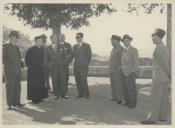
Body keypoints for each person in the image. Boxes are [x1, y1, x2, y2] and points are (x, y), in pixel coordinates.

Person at [141, 29, 171, 124]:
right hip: (164, 78)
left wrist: (171, 74)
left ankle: (152, 118)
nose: (152, 39)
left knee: (155, 98)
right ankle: (162, 117)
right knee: (163, 99)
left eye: (153, 37)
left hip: (158, 78)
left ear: (158, 37)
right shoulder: (165, 48)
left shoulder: (158, 48)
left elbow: (164, 65)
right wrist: (169, 75)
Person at [3, 31, 25, 110]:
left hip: (17, 70)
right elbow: (3, 59)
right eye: (12, 36)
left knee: (17, 87)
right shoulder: (5, 46)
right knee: (10, 87)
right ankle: (9, 104)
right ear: (10, 37)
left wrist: (21, 67)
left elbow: (19, 58)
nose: (14, 38)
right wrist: (11, 66)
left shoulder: (16, 47)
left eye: (15, 36)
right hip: (10, 71)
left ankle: (17, 102)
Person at [25, 36, 48, 104]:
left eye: (41, 41)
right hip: (33, 71)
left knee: (40, 84)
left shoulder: (42, 50)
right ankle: (34, 99)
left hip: (40, 70)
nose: (40, 43)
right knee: (34, 84)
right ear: (35, 42)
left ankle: (40, 97)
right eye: (38, 41)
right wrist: (32, 68)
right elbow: (27, 60)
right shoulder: (31, 49)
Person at [120, 34, 139, 108]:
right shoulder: (124, 50)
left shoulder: (134, 50)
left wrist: (133, 72)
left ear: (130, 41)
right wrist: (121, 68)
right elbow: (123, 61)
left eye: (127, 41)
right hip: (123, 72)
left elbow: (136, 62)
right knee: (125, 88)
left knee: (131, 89)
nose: (125, 43)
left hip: (130, 73)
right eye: (124, 41)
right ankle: (127, 101)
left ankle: (132, 104)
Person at [71, 33, 92, 98]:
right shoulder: (74, 46)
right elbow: (72, 56)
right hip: (76, 67)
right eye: (76, 37)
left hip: (83, 67)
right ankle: (80, 94)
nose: (77, 38)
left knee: (83, 80)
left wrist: (85, 64)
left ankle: (86, 94)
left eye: (78, 37)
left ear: (82, 38)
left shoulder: (87, 46)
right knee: (77, 81)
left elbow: (89, 56)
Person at [109, 35, 124, 104]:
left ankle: (119, 98)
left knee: (118, 84)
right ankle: (114, 97)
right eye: (111, 40)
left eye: (113, 40)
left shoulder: (121, 49)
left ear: (117, 41)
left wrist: (120, 68)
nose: (111, 42)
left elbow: (123, 60)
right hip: (112, 69)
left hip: (117, 70)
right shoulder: (113, 49)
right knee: (113, 84)